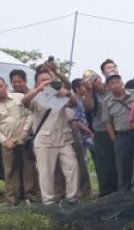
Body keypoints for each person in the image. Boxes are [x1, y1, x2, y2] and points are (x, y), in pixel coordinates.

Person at [21, 70, 80, 205]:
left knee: (72, 167)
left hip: (64, 139)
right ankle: (48, 201)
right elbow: (24, 101)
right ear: (37, 82)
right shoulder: (36, 98)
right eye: (43, 80)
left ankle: (72, 198)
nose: (46, 82)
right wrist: (39, 89)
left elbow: (74, 103)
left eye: (49, 79)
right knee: (45, 173)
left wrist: (64, 88)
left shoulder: (59, 95)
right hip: (44, 141)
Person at [0, 76, 36, 205]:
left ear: (6, 86)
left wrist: (25, 132)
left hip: (24, 139)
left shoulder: (19, 97)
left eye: (1, 86)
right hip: (7, 141)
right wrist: (4, 140)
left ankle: (30, 195)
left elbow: (30, 114)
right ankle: (12, 198)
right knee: (10, 170)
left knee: (29, 167)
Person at [102, 74, 134, 193]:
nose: (115, 85)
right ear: (108, 86)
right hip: (121, 134)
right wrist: (115, 139)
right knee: (123, 165)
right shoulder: (106, 101)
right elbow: (108, 122)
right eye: (112, 83)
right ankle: (124, 191)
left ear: (122, 82)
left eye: (117, 82)